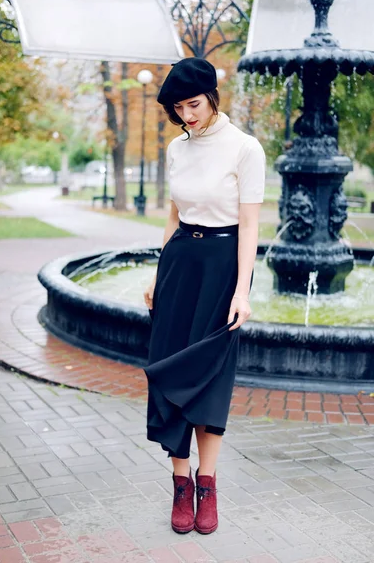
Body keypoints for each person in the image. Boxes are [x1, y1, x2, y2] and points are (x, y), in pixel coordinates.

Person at [143, 57, 265, 535]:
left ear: (213, 96)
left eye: (193, 105)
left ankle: (208, 483)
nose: (187, 116)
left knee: (210, 377)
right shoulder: (177, 148)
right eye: (179, 109)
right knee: (169, 368)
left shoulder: (245, 148)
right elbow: (173, 218)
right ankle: (179, 485)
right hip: (179, 265)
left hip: (222, 268)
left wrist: (242, 291)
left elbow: (251, 225)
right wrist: (157, 274)